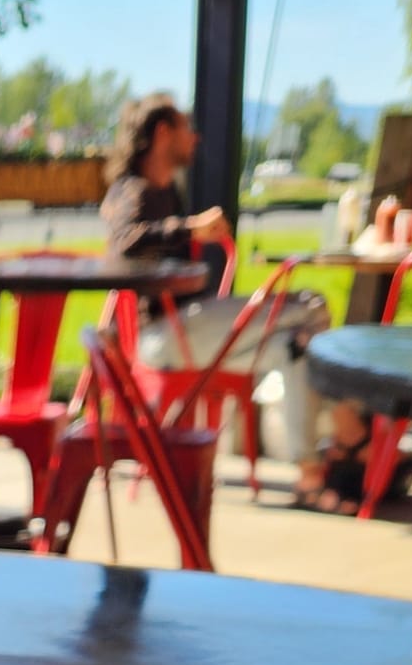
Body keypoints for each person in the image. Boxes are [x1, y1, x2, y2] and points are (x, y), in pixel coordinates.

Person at [101, 93, 359, 502]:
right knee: (313, 305)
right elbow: (126, 242)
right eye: (186, 127)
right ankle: (351, 434)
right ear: (163, 133)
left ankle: (311, 475)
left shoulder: (167, 192)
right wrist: (190, 228)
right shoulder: (132, 190)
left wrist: (186, 226)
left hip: (193, 327)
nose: (195, 137)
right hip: (165, 331)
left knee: (296, 351)